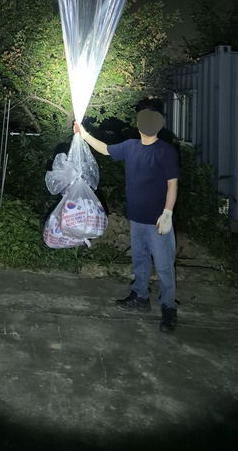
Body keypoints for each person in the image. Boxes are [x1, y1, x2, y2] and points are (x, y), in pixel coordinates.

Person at [74, 107, 179, 333]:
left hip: (158, 220)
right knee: (140, 261)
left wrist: (167, 213)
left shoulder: (165, 151)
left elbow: (172, 183)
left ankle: (169, 307)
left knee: (163, 266)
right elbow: (104, 149)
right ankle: (140, 297)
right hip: (137, 217)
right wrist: (83, 134)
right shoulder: (131, 147)